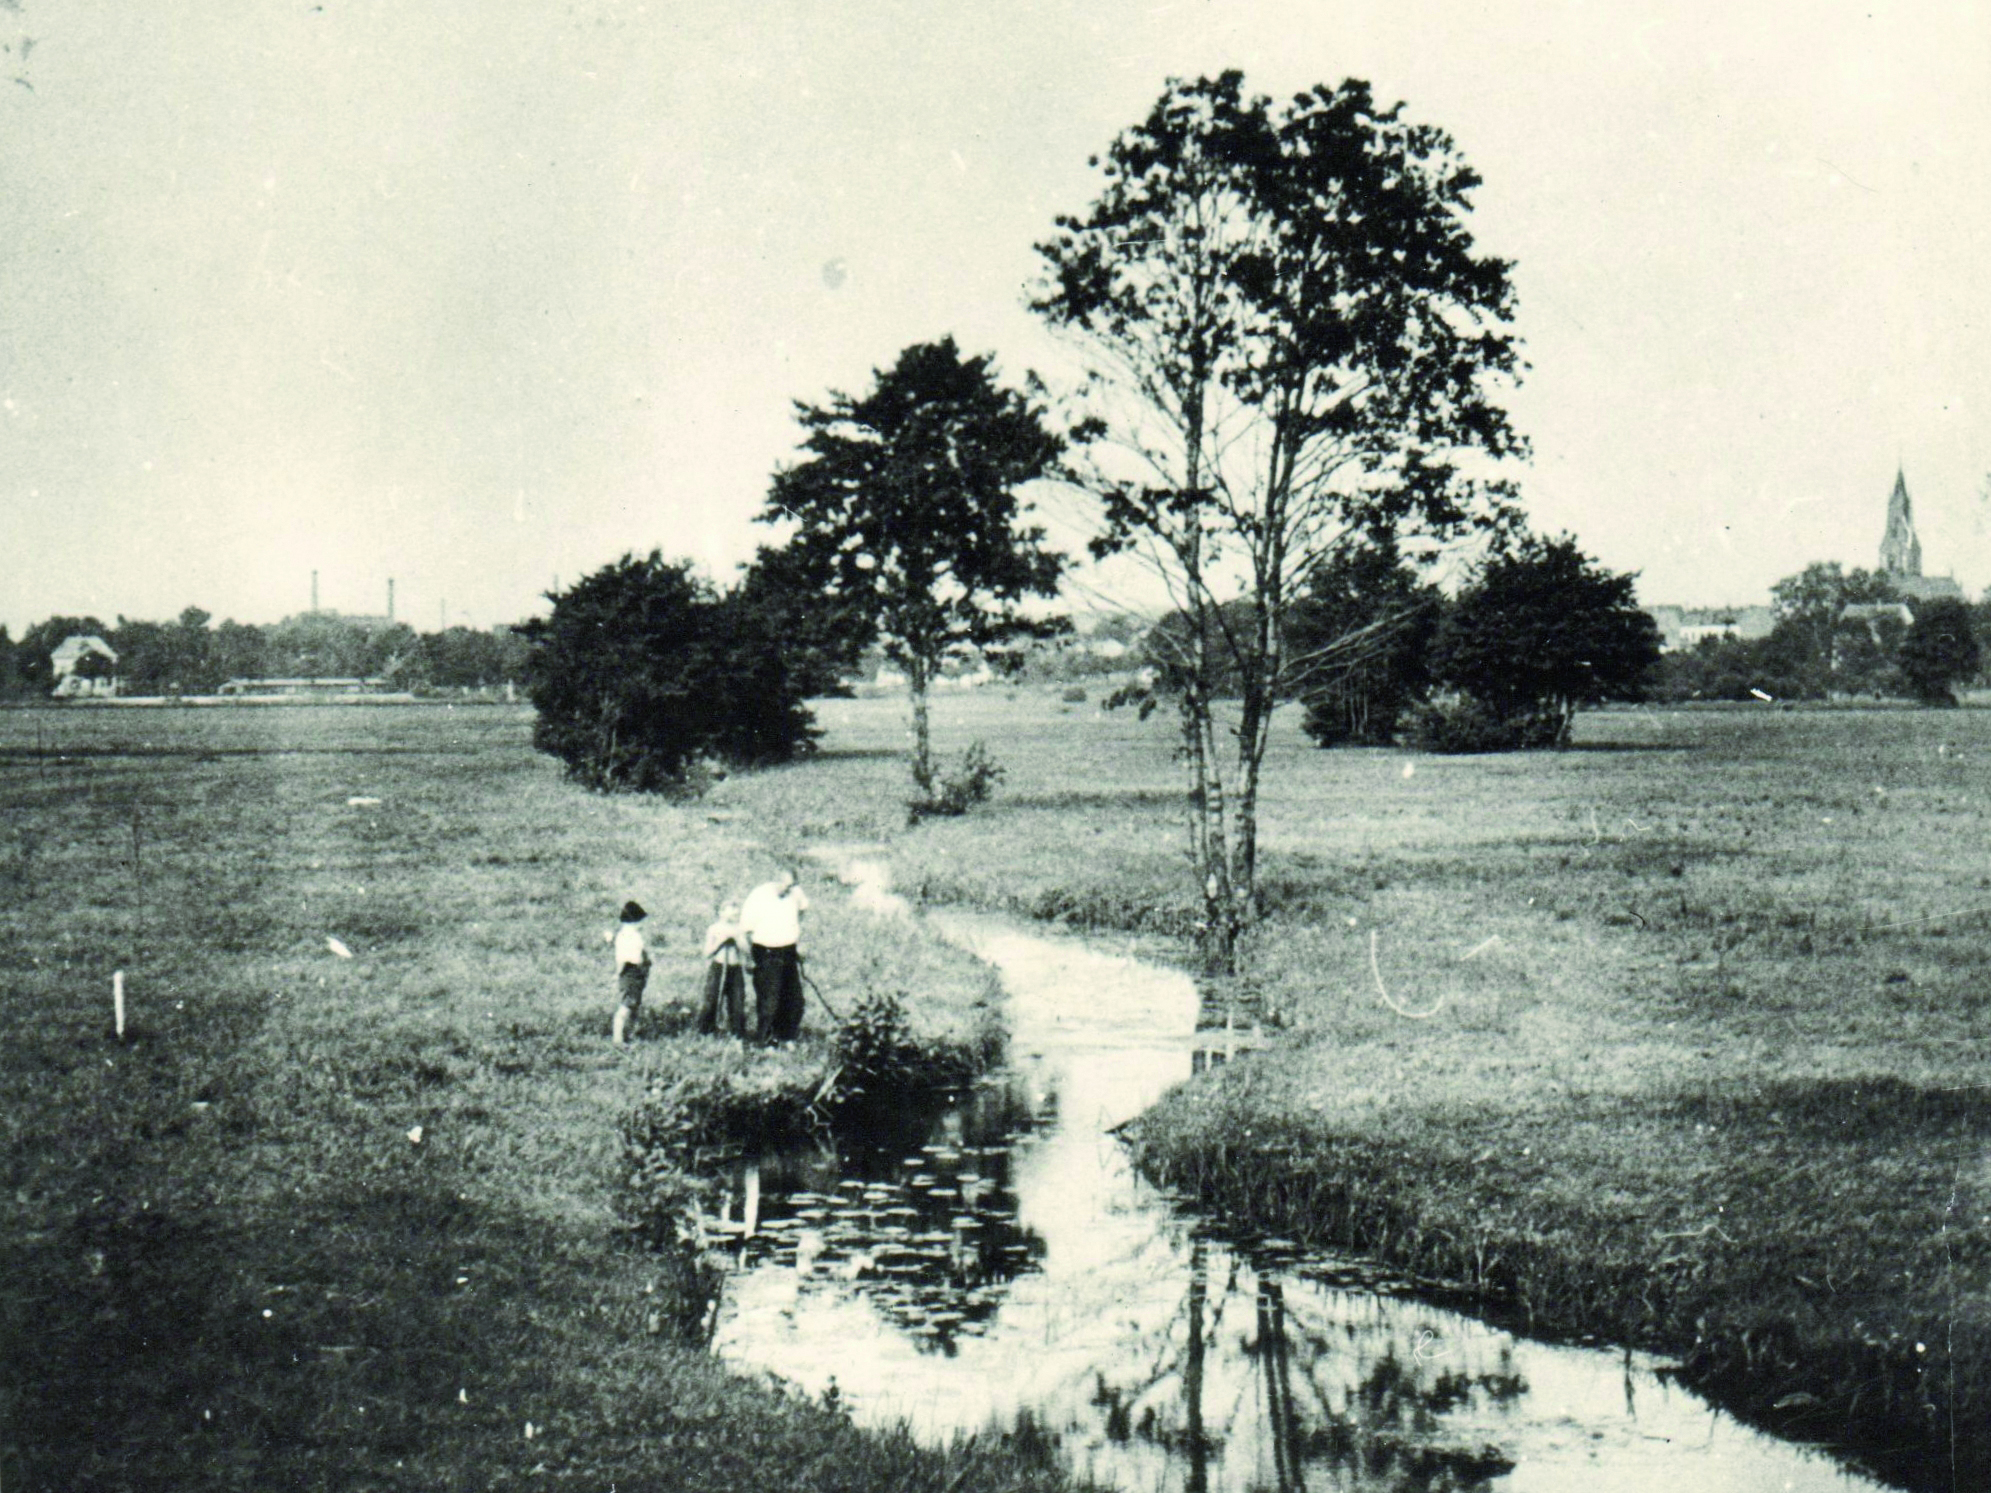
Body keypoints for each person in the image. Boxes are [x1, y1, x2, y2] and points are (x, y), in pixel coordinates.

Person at [739, 868, 808, 1043]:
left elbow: (802, 911)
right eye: (785, 885)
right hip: (766, 951)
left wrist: (798, 941)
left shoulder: (795, 893)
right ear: (774, 881)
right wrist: (748, 957)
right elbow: (746, 929)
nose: (788, 890)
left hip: (789, 950)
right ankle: (765, 1039)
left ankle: (786, 1037)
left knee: (794, 999)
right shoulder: (759, 896)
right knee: (770, 999)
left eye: (792, 886)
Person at [696, 900, 753, 1039]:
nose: (736, 913)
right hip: (718, 968)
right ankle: (706, 1032)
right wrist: (720, 941)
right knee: (711, 1000)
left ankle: (737, 1034)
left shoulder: (739, 929)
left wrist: (738, 939)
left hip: (735, 969)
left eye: (737, 910)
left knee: (737, 1002)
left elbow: (747, 951)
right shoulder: (714, 928)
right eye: (732, 909)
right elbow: (707, 952)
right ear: (721, 912)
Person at [608, 900, 650, 1045]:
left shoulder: (632, 935)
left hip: (637, 972)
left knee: (633, 1005)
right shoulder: (627, 936)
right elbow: (622, 959)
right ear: (633, 921)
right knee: (627, 1005)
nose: (642, 925)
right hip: (629, 972)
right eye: (640, 921)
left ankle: (631, 1033)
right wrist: (618, 974)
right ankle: (617, 1038)